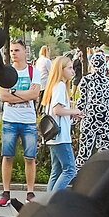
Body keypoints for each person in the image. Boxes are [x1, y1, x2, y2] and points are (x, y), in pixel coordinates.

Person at [0, 39, 42, 206]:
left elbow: (34, 95)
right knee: (7, 156)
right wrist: (24, 94)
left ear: (25, 52)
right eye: (11, 51)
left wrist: (14, 93)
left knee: (30, 157)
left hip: (28, 121)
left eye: (17, 50)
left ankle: (30, 192)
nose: (13, 53)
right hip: (10, 120)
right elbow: (3, 96)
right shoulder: (5, 72)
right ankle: (6, 192)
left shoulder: (33, 71)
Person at [42, 56, 82, 192]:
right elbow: (57, 110)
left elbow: (56, 111)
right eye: (69, 68)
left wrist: (71, 115)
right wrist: (74, 110)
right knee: (70, 170)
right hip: (61, 137)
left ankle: (48, 203)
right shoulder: (59, 86)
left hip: (53, 137)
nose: (73, 71)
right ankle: (54, 201)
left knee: (56, 171)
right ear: (61, 69)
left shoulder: (54, 86)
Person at [76, 50, 109, 167]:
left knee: (85, 151)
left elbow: (81, 101)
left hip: (92, 119)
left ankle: (79, 176)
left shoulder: (87, 80)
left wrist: (77, 115)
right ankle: (98, 175)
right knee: (101, 151)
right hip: (102, 119)